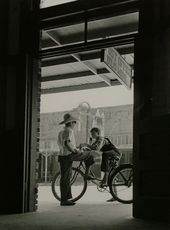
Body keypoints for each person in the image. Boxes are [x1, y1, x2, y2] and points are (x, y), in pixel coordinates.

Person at [57, 113, 95, 206]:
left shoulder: (62, 131)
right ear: (70, 123)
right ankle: (87, 175)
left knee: (66, 177)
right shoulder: (69, 131)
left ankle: (66, 198)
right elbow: (67, 144)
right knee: (89, 155)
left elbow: (64, 144)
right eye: (74, 122)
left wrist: (76, 149)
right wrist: (75, 151)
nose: (75, 124)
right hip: (68, 155)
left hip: (62, 155)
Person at [88, 127, 122, 202]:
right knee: (112, 176)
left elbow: (97, 148)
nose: (92, 135)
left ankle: (105, 178)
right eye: (91, 133)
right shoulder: (97, 140)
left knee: (105, 154)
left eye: (93, 133)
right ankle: (115, 196)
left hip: (115, 153)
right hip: (111, 156)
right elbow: (92, 148)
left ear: (97, 133)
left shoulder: (101, 139)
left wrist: (87, 145)